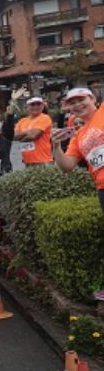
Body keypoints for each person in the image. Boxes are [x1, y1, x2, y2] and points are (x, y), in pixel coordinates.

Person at [52, 87, 104, 300]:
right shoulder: (78, 135)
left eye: (81, 99)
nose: (77, 105)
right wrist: (55, 146)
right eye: (72, 102)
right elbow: (67, 166)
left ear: (93, 98)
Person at [14, 96, 54, 166]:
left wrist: (21, 137)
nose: (35, 107)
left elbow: (33, 136)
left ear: (42, 106)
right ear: (27, 107)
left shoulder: (44, 118)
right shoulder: (22, 121)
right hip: (27, 161)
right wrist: (26, 132)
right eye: (32, 104)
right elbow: (14, 137)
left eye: (38, 104)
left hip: (43, 161)